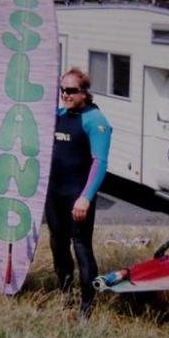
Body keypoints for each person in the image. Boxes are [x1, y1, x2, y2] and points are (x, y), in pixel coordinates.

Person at [46, 68, 112, 320]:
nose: (65, 94)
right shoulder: (59, 115)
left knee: (81, 247)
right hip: (54, 194)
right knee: (57, 244)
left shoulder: (95, 120)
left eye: (71, 90)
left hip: (78, 195)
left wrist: (85, 197)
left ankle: (87, 304)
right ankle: (65, 292)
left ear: (84, 93)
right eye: (62, 89)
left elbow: (100, 162)